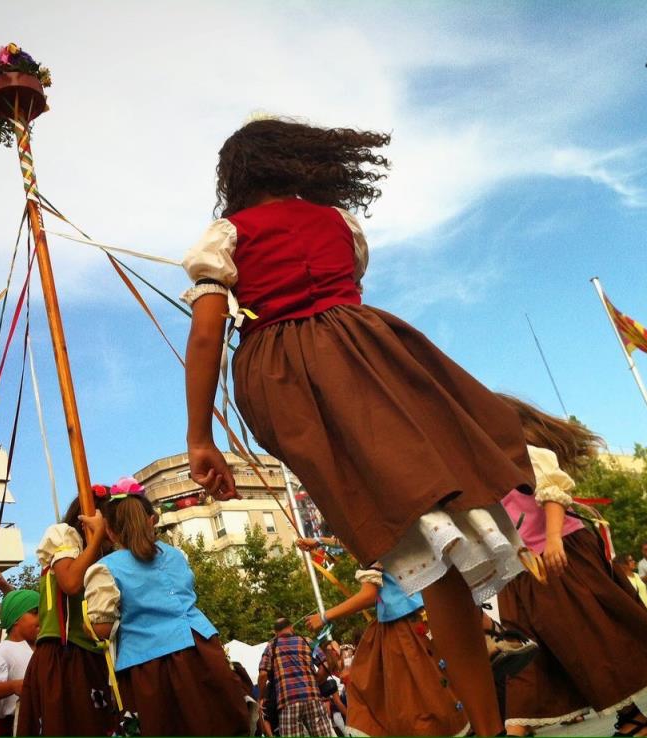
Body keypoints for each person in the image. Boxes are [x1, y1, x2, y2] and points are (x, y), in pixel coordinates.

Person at [181, 117, 533, 736]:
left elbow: (208, 331)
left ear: (238, 175)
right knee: (432, 535)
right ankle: (489, 721)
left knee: (412, 539)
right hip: (376, 358)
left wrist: (200, 437)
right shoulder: (340, 223)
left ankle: (487, 722)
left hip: (297, 378)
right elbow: (346, 293)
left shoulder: (228, 234)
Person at [495, 396, 647, 737]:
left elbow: (554, 493)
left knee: (588, 639)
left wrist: (553, 540)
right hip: (522, 572)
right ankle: (517, 730)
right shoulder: (478, 467)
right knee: (525, 651)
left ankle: (632, 717)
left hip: (559, 556)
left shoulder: (525, 455)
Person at [84, 482, 251, 736]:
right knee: (219, 725)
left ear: (109, 531)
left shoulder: (105, 568)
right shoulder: (177, 555)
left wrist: (89, 625)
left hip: (151, 665)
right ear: (152, 520)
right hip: (204, 652)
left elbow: (103, 630)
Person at [304, 564, 468, 737]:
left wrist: (325, 616)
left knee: (414, 702)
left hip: (403, 628)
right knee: (426, 693)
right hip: (413, 618)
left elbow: (369, 595)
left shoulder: (370, 542)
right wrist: (319, 541)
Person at [17, 492, 117, 736]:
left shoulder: (102, 559)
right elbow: (70, 583)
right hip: (63, 656)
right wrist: (95, 542)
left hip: (91, 658)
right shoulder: (65, 538)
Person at [258, 617, 337, 738]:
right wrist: (316, 683)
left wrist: (262, 697)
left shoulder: (271, 647)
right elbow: (325, 665)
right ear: (291, 627)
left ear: (275, 632)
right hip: (313, 698)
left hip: (287, 702)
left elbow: (263, 675)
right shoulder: (307, 641)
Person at [0, 589, 39, 737]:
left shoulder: (40, 648)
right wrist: (13, 685)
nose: (41, 617)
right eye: (35, 612)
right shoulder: (2, 652)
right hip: (15, 726)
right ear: (16, 618)